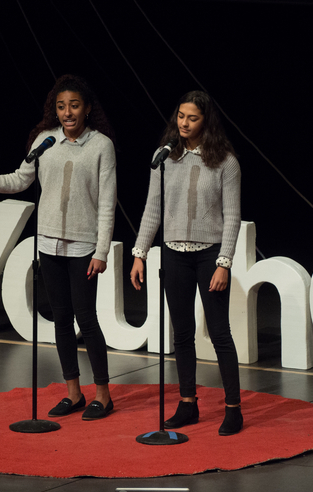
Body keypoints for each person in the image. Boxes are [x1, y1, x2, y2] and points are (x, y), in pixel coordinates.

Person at [0, 74, 117, 420]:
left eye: (74, 106)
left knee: (86, 319)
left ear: (87, 109)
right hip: (49, 244)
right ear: (54, 111)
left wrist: (102, 251)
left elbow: (107, 202)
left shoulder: (101, 145)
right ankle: (73, 393)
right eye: (61, 107)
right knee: (60, 320)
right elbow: (19, 179)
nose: (67, 112)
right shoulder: (44, 141)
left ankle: (103, 393)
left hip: (84, 247)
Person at [129, 90, 243, 435]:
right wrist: (139, 253)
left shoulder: (225, 161)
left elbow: (233, 216)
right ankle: (188, 403)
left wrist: (224, 262)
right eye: (180, 116)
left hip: (210, 255)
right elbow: (153, 209)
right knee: (181, 334)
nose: (184, 123)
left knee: (220, 333)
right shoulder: (165, 158)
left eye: (192, 118)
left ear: (205, 121)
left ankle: (233, 408)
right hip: (174, 254)